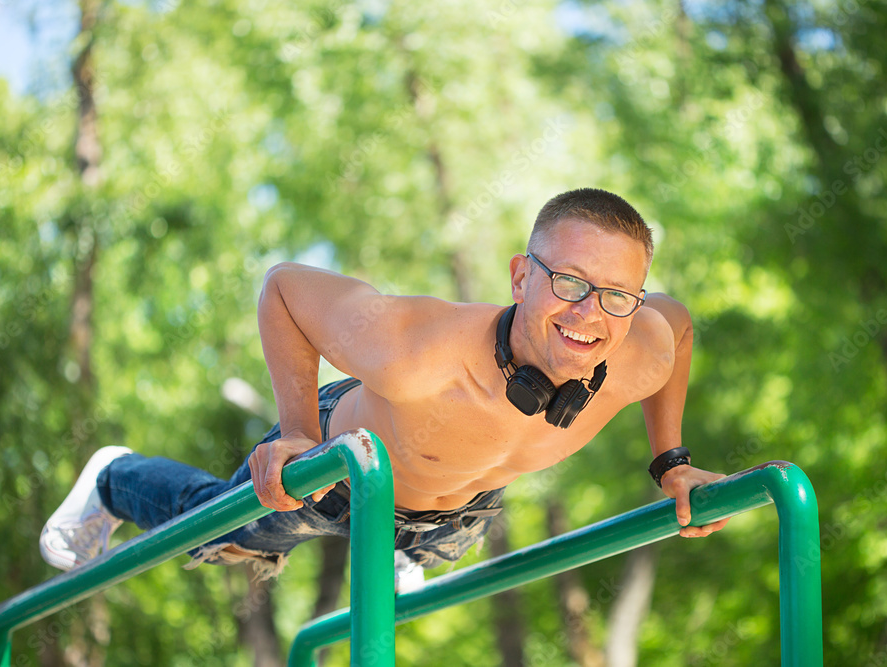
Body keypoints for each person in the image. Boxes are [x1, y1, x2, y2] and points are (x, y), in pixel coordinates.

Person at [40, 187, 729, 585]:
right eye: (569, 282)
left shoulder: (641, 347)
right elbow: (284, 288)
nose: (588, 314)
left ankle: (401, 554)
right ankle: (114, 477)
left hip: (459, 513)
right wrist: (297, 433)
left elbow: (683, 324)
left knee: (420, 563)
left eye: (614, 294)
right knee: (225, 538)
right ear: (521, 277)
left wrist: (671, 463)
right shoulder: (416, 349)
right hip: (340, 472)